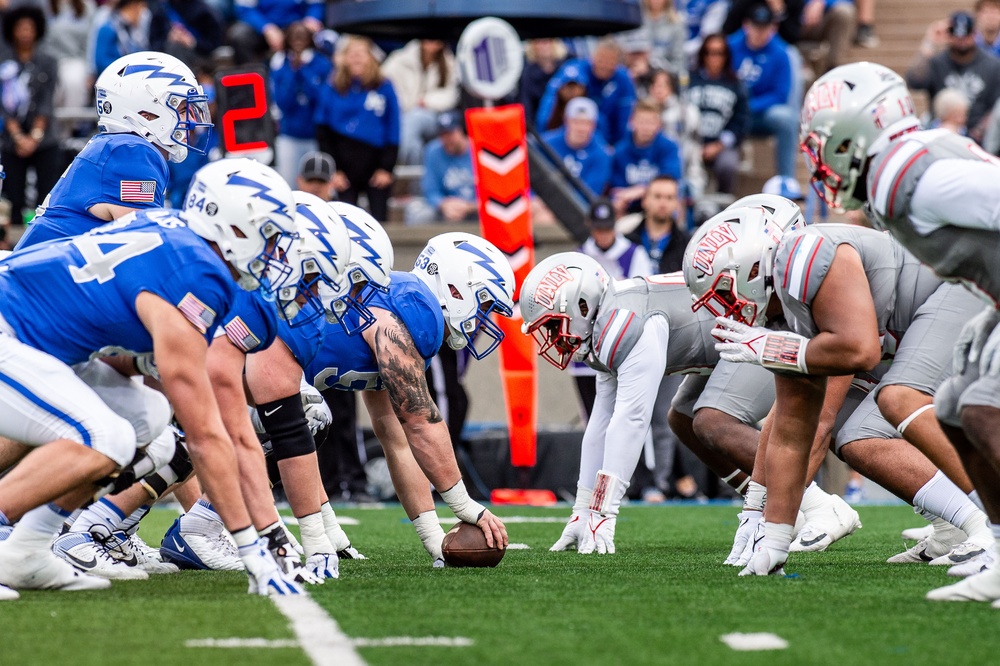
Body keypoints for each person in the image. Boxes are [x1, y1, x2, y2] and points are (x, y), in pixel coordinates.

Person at [0, 158, 302, 598]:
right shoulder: (197, 273)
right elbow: (205, 436)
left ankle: (26, 550)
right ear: (230, 226)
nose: (274, 251)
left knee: (147, 417)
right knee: (104, 437)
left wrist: (149, 363)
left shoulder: (173, 230)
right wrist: (252, 550)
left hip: (33, 336)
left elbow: (117, 354)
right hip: (10, 327)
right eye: (268, 234)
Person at [692, 203, 989, 576]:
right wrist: (773, 537)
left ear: (753, 268)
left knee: (900, 397)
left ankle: (988, 526)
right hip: (929, 314)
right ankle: (961, 524)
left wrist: (781, 349)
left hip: (965, 285)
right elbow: (789, 431)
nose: (727, 310)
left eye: (724, 292)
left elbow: (858, 350)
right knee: (859, 435)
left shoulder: (808, 254)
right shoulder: (784, 305)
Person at [800, 61, 1000, 601]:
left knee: (979, 408)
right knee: (957, 408)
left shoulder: (919, 177)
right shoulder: (898, 174)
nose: (822, 157)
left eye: (825, 140)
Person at [252, 229, 515, 565]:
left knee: (307, 417)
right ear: (455, 288)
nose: (483, 317)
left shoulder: (407, 313)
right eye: (485, 303)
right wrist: (466, 506)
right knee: (306, 417)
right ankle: (221, 523)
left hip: (266, 370)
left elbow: (395, 436)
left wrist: (433, 536)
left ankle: (215, 525)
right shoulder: (412, 309)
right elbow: (421, 422)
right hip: (248, 352)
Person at [14, 50, 212, 250]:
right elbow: (145, 248)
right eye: (182, 109)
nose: (192, 121)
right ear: (147, 113)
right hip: (43, 276)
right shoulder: (132, 152)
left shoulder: (118, 148)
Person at [570, 198, 653, 419]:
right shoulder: (579, 257)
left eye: (607, 228)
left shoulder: (634, 254)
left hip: (621, 346)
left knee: (622, 415)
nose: (603, 234)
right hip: (587, 348)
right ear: (591, 226)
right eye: (599, 229)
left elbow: (644, 297)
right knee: (591, 416)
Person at [315, 35, 399, 223]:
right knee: (343, 221)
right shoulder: (332, 86)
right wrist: (333, 170)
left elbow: (393, 127)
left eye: (361, 53)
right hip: (343, 166)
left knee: (380, 222)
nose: (356, 58)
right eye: (351, 54)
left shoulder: (384, 86)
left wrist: (387, 167)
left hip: (376, 163)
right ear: (343, 58)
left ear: (371, 57)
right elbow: (322, 128)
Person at [0, 5, 61, 232]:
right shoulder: (4, 61)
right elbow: (3, 105)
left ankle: (42, 236)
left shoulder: (48, 61)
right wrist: (17, 137)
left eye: (30, 28)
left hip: (44, 136)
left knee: (46, 194)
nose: (25, 33)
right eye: (20, 28)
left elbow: (46, 101)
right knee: (13, 195)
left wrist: (34, 136)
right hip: (10, 137)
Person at [728, 4, 799, 179]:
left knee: (785, 118)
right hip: (729, 112)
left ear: (772, 28)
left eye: (764, 27)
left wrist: (748, 106)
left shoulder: (781, 53)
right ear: (746, 25)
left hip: (759, 115)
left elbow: (780, 94)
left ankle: (786, 181)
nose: (759, 32)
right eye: (755, 26)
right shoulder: (729, 47)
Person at [906, 11, 1000, 141]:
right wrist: (929, 44)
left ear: (974, 34)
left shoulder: (992, 65)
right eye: (957, 36)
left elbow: (995, 105)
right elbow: (914, 82)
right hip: (941, 133)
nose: (962, 41)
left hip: (979, 136)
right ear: (949, 35)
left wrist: (979, 132)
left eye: (966, 35)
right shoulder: (937, 62)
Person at [535, 38, 638, 145]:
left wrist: (616, 148)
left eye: (610, 62)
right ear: (593, 57)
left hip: (604, 144)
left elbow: (625, 118)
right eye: (601, 59)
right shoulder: (575, 71)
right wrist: (542, 138)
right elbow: (549, 106)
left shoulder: (623, 79)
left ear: (617, 64)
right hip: (564, 140)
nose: (604, 65)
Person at [686, 34, 750, 195]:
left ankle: (724, 209)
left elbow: (741, 121)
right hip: (690, 141)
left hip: (721, 144)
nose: (714, 58)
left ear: (726, 56)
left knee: (727, 165)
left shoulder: (736, 84)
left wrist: (718, 145)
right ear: (702, 55)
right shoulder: (689, 80)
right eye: (709, 52)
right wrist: (694, 145)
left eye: (719, 53)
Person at [271, 20, 332, 186]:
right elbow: (283, 102)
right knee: (288, 184)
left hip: (315, 136)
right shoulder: (280, 63)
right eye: (294, 37)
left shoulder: (322, 63)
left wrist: (304, 70)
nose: (298, 41)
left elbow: (322, 99)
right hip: (289, 135)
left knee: (316, 185)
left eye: (302, 37)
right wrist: (292, 72)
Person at [381, 39, 459, 166]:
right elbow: (383, 87)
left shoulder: (449, 61)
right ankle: (414, 178)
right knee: (413, 143)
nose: (433, 42)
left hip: (435, 116)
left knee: (414, 119)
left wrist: (426, 101)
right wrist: (404, 106)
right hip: (401, 113)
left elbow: (452, 95)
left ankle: (408, 174)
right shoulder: (399, 59)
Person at [609, 100, 681, 217]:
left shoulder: (669, 147)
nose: (646, 127)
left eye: (651, 122)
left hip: (660, 205)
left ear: (659, 125)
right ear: (632, 122)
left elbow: (670, 179)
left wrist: (640, 190)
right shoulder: (620, 150)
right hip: (630, 207)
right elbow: (618, 188)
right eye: (642, 122)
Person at [405, 110, 477, 226]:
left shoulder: (479, 149)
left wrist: (469, 206)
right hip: (446, 209)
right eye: (442, 135)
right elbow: (430, 190)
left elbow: (491, 193)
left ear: (461, 131)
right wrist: (444, 204)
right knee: (419, 214)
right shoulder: (433, 150)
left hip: (475, 208)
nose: (447, 139)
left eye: (450, 134)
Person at [541, 97, 612, 198]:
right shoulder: (546, 143)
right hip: (541, 200)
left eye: (586, 123)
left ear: (594, 125)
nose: (581, 128)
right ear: (566, 121)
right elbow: (533, 177)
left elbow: (589, 194)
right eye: (576, 122)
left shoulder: (601, 154)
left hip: (573, 208)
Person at [227, 0, 324, 65]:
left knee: (326, 39)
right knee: (239, 35)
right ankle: (252, 84)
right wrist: (266, 27)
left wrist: (312, 19)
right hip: (263, 27)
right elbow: (244, 9)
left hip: (297, 26)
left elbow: (316, 5)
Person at [92, 0, 149, 76]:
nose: (142, 16)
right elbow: (100, 61)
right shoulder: (108, 28)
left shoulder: (134, 31)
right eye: (141, 10)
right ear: (133, 6)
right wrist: (128, 68)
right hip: (113, 80)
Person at [520, 39, 568, 126]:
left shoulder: (568, 65)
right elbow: (527, 105)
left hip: (566, 122)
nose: (544, 46)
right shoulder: (527, 73)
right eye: (539, 42)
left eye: (547, 41)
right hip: (539, 125)